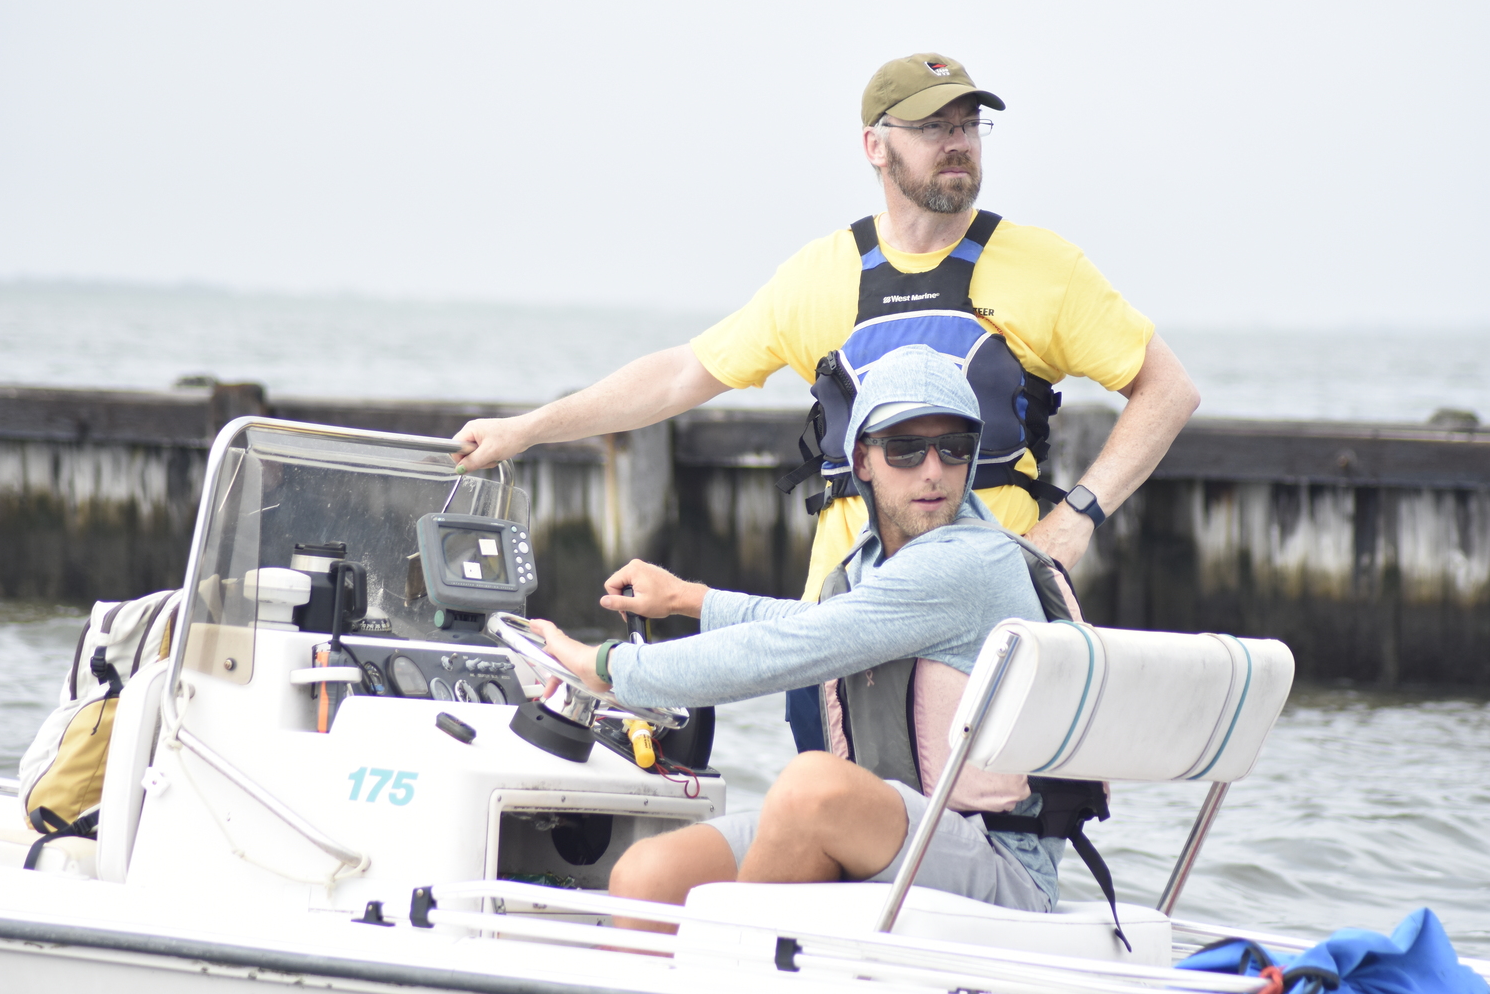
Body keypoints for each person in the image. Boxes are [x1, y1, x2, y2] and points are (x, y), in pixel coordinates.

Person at [454, 52, 1200, 749]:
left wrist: (1077, 518)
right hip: (832, 628)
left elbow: (1168, 390)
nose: (958, 142)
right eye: (934, 126)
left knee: (983, 845)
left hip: (981, 636)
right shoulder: (820, 275)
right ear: (875, 146)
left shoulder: (1046, 268)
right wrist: (527, 430)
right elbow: (683, 374)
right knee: (830, 836)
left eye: (969, 124)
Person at [528, 346, 1060, 933]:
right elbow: (813, 624)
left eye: (954, 448)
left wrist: (605, 666)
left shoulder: (967, 563)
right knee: (647, 877)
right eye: (906, 448)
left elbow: (791, 650)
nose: (933, 470)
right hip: (892, 830)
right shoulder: (881, 559)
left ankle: (736, 967)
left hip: (998, 861)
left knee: (812, 786)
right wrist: (688, 599)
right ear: (862, 459)